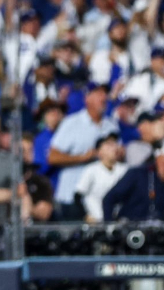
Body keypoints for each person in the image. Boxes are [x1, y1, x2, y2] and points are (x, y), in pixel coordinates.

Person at [48, 83, 117, 220]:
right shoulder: (72, 123)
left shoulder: (111, 125)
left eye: (105, 93)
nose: (103, 97)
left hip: (101, 197)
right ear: (87, 98)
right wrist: (83, 158)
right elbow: (52, 157)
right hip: (72, 196)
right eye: (98, 93)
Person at [101, 140, 164, 221]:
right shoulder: (138, 175)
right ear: (161, 156)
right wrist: (110, 227)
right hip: (131, 232)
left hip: (158, 233)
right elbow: (109, 199)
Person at [72, 132, 127, 222]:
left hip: (118, 220)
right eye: (108, 146)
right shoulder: (91, 170)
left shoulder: (124, 169)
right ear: (99, 152)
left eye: (114, 145)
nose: (113, 148)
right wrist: (85, 216)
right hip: (96, 220)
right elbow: (78, 196)